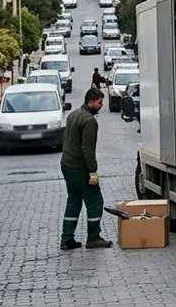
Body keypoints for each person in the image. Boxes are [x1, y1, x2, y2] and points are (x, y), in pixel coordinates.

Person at [60, 87, 112, 250]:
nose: (101, 106)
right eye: (99, 103)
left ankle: (66, 239)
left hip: (67, 164)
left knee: (74, 200)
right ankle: (93, 237)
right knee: (95, 200)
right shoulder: (89, 121)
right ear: (90, 102)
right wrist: (93, 172)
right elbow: (87, 150)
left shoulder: (73, 115)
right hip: (79, 167)